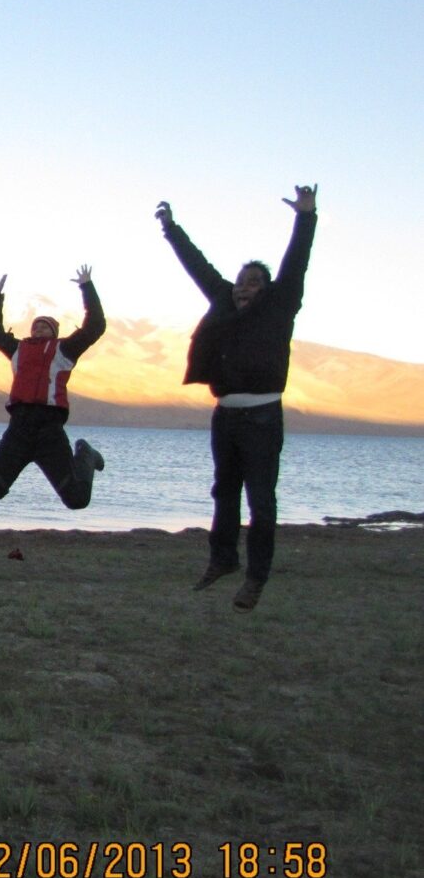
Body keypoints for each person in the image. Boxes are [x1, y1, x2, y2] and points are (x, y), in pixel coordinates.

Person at [157, 185, 318, 613]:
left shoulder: (280, 305)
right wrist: (171, 229)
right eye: (241, 281)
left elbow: (297, 262)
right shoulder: (224, 301)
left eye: (254, 282)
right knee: (224, 492)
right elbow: (198, 267)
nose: (244, 288)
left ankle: (256, 578)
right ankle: (223, 558)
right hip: (225, 416)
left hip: (263, 416)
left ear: (267, 289)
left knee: (261, 501)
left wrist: (305, 216)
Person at [0, 266, 107, 509]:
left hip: (50, 430)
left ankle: (86, 454)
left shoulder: (64, 349)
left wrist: (87, 287)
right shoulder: (18, 349)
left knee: (77, 499)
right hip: (19, 428)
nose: (38, 329)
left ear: (54, 332)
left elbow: (95, 326)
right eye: (35, 326)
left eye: (44, 326)